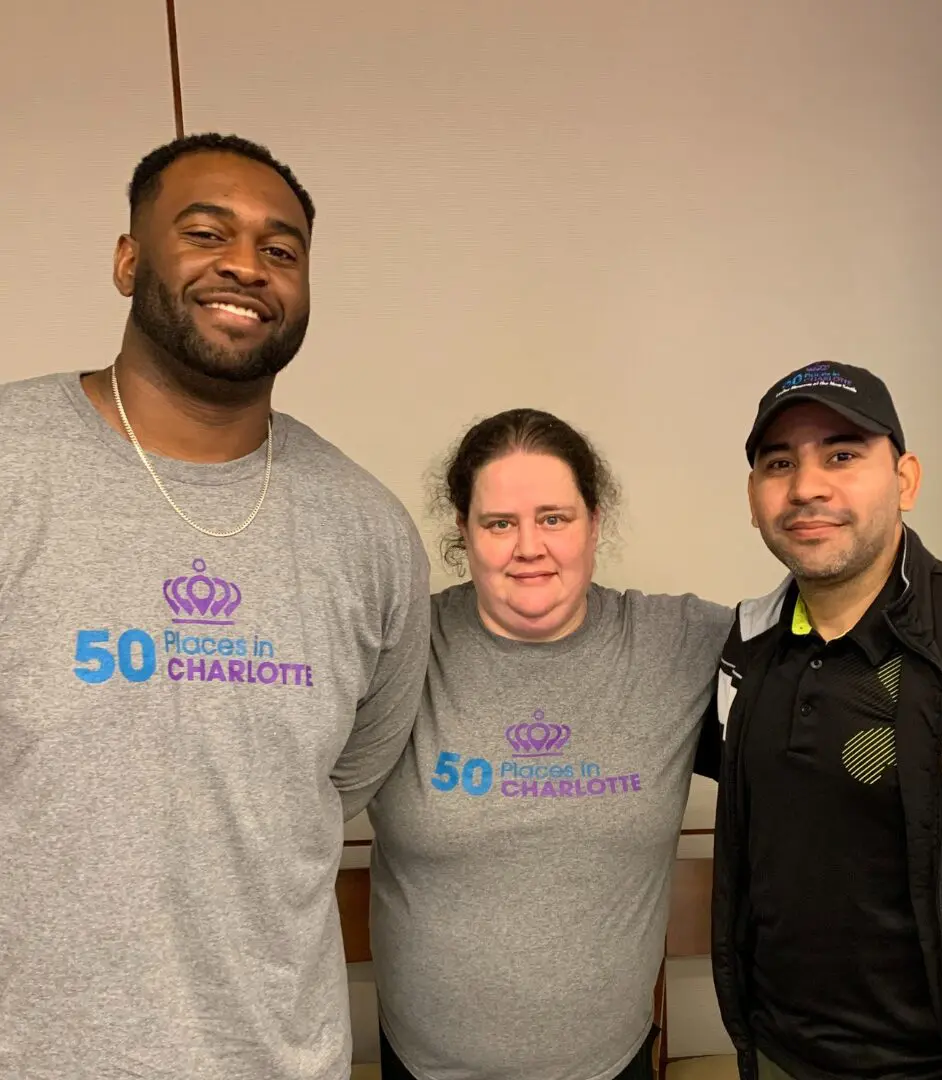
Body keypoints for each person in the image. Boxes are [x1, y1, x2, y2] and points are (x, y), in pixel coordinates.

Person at [0, 133, 430, 1080]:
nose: (246, 265)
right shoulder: (12, 462)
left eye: (282, 251)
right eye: (206, 233)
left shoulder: (367, 530)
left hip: (280, 1059)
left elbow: (341, 777)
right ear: (128, 260)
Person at [697, 361, 942, 1080]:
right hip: (776, 1054)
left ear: (905, 479)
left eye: (842, 455)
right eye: (779, 463)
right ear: (753, 499)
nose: (807, 486)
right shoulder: (743, 651)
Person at [366, 408, 734, 1080]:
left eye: (554, 518)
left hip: (612, 1065)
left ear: (595, 523)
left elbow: (825, 648)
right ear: (464, 533)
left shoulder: (677, 644)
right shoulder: (399, 644)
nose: (527, 546)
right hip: (421, 1066)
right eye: (499, 522)